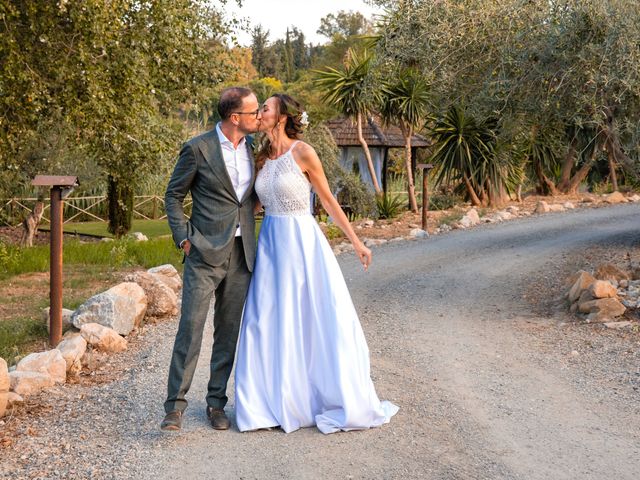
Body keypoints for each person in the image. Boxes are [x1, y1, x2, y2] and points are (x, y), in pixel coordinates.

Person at [234, 94, 399, 434]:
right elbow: (250, 207)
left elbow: (327, 199)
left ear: (282, 116)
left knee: (313, 317)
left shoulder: (303, 152)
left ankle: (318, 395)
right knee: (264, 319)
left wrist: (356, 242)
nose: (260, 112)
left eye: (265, 107)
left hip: (302, 243)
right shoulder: (261, 158)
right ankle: (268, 402)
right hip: (270, 246)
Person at [161, 87, 262, 431]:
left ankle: (216, 404)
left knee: (228, 333)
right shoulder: (198, 148)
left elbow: (247, 200)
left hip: (242, 253)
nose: (259, 116)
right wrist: (184, 238)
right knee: (190, 329)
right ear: (236, 118)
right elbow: (173, 195)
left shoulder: (253, 149)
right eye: (254, 112)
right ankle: (174, 407)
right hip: (203, 253)